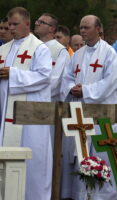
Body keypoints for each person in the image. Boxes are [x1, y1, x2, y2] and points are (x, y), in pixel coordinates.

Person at [60, 15, 117, 200]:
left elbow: (113, 81)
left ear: (98, 30)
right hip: (81, 116)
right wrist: (72, 88)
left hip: (103, 117)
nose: (82, 31)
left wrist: (86, 91)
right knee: (82, 158)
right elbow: (67, 77)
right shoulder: (77, 55)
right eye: (81, 28)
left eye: (86, 27)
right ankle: (80, 196)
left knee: (103, 159)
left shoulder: (110, 53)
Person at [0, 7, 52, 200]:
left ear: (27, 24)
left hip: (29, 118)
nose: (10, 28)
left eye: (15, 24)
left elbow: (45, 76)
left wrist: (13, 74)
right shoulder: (3, 49)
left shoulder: (39, 48)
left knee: (33, 161)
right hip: (4, 115)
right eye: (9, 24)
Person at [34, 13, 70, 101]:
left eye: (41, 22)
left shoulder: (60, 50)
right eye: (37, 21)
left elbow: (55, 81)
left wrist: (34, 93)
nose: (36, 24)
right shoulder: (32, 46)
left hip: (49, 101)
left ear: (51, 28)